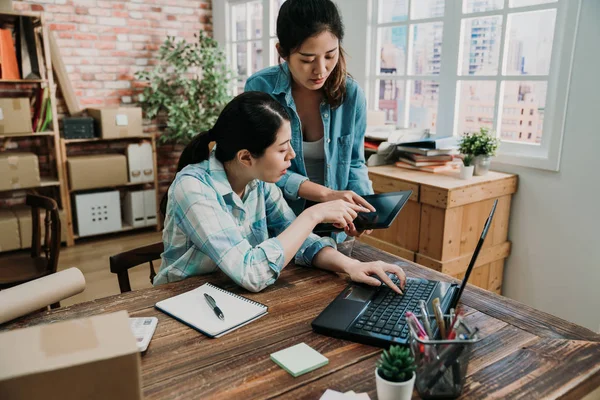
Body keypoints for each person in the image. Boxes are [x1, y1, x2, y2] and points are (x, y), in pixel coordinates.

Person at [154, 91, 405, 294]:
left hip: (231, 296)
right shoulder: (193, 188)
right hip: (184, 303)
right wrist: (313, 215)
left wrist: (353, 266)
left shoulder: (258, 181)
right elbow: (251, 273)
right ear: (246, 157)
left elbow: (300, 242)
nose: (292, 156)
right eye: (283, 149)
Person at [245, 0, 373, 242]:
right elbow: (259, 166)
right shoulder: (260, 88)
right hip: (279, 225)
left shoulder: (352, 95)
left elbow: (355, 162)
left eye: (330, 55)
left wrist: (363, 211)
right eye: (307, 59)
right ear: (282, 52)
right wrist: (325, 195)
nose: (321, 70)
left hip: (335, 227)